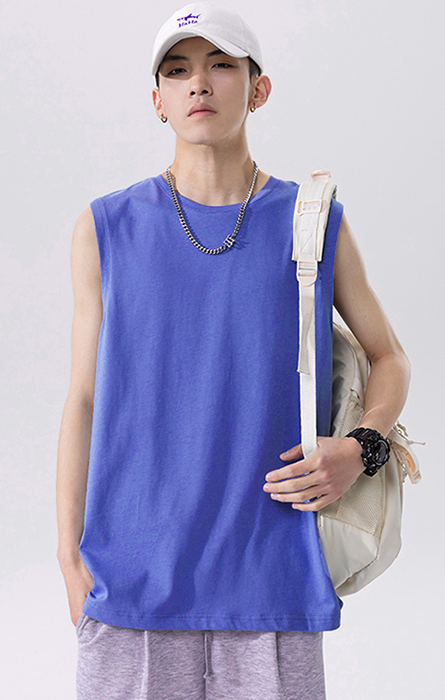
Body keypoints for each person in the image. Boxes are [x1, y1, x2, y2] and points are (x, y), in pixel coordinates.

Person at [56, 3, 411, 699]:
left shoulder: (313, 223)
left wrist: (361, 447)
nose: (199, 83)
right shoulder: (104, 228)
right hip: (132, 580)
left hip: (272, 577)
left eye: (221, 65)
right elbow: (84, 398)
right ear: (157, 100)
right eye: (177, 70)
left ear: (258, 88)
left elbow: (390, 356)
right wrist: (69, 559)